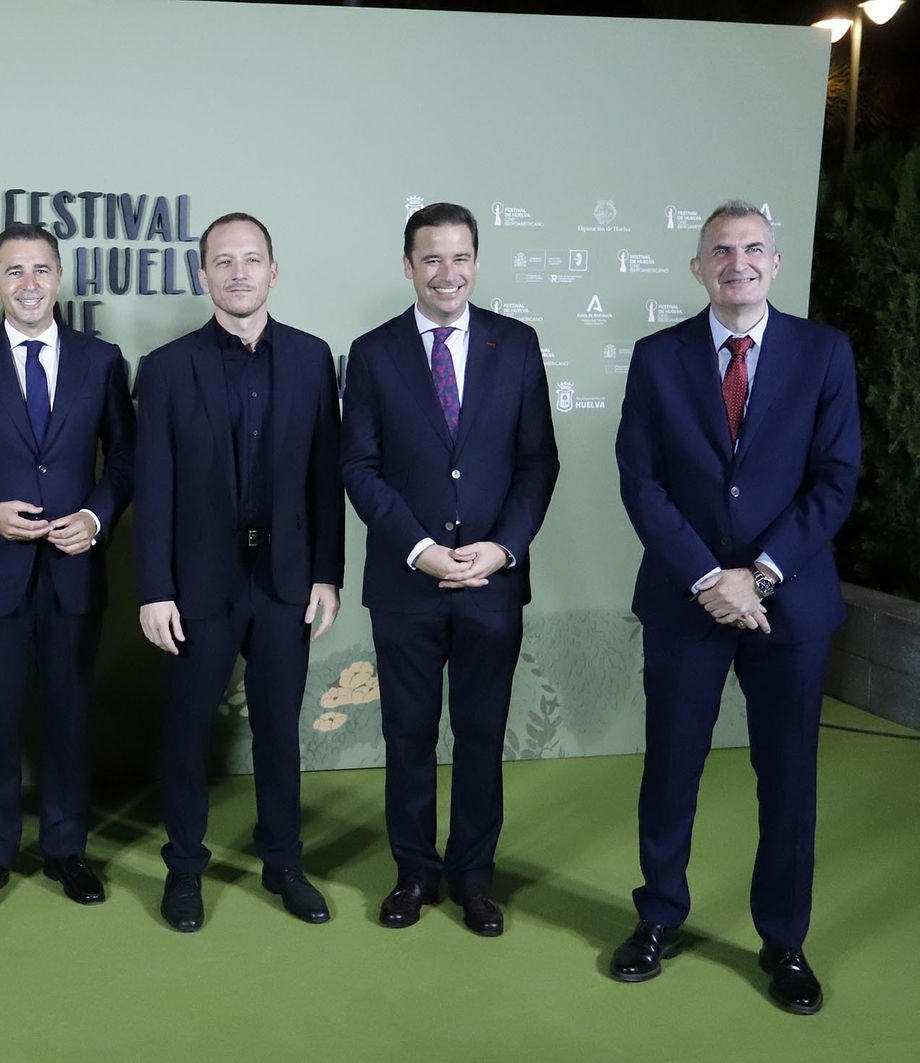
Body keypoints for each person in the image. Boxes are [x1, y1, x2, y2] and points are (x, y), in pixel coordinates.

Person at [610, 200, 860, 1015]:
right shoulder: (657, 357)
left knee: (786, 779)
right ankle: (658, 916)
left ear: (775, 263)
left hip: (791, 603)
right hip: (687, 600)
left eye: (753, 248)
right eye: (720, 250)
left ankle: (784, 938)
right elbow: (640, 481)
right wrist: (707, 577)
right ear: (698, 268)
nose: (737, 262)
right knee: (670, 769)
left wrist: (760, 574)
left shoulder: (824, 353)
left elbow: (835, 478)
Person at [340, 201, 558, 938]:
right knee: (407, 735)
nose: (446, 272)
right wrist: (418, 548)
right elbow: (359, 466)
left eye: (459, 257)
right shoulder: (372, 353)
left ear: (476, 262)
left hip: (492, 581)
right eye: (431, 258)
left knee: (481, 735)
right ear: (408, 265)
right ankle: (413, 874)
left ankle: (473, 877)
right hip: (407, 583)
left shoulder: (516, 344)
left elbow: (538, 462)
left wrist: (502, 547)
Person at [135, 212, 342, 933]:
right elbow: (153, 485)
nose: (238, 272)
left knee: (279, 732)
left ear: (273, 271)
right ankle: (185, 868)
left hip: (286, 579)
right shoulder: (166, 367)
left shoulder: (314, 358)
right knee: (188, 732)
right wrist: (155, 588)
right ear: (203, 276)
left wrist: (326, 573)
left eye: (252, 259)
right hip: (198, 583)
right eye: (223, 261)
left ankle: (283, 862)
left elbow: (325, 477)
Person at [0, 223, 135, 914]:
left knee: (68, 716)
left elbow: (126, 458)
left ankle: (65, 850)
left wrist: (97, 517)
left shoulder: (101, 360)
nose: (29, 284)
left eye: (41, 270)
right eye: (14, 271)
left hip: (75, 572)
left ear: (58, 278)